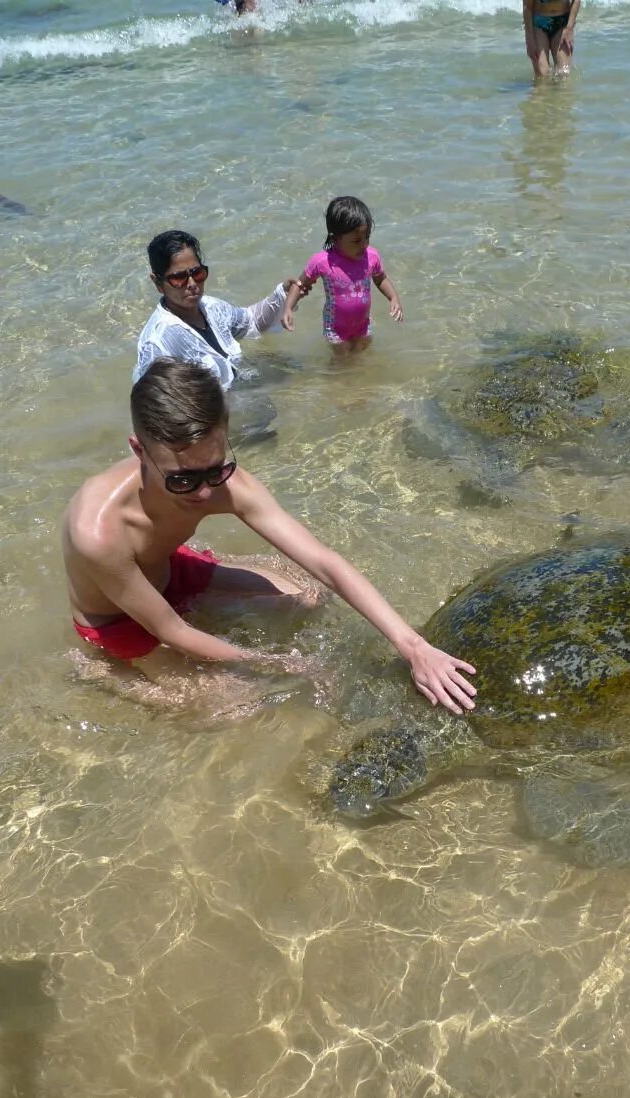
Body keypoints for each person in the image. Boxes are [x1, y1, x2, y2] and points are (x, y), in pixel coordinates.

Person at [64, 358, 477, 713]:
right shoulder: (98, 533)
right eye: (183, 479)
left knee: (309, 594)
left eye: (215, 468)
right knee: (240, 706)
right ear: (140, 452)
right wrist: (285, 664)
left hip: (170, 570)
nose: (207, 492)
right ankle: (99, 671)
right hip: (119, 622)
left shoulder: (222, 483)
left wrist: (413, 647)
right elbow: (171, 631)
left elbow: (324, 562)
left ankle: (210, 574)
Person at [133, 229, 304, 391]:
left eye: (197, 273)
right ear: (157, 283)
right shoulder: (159, 343)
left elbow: (250, 320)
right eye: (179, 278)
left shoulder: (211, 307)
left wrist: (283, 294)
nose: (192, 284)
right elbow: (155, 405)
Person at [281, 197, 403, 353]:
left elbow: (380, 279)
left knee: (362, 353)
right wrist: (288, 308)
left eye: (367, 237)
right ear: (335, 238)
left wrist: (393, 298)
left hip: (363, 324)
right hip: (335, 327)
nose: (364, 244)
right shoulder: (323, 261)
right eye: (357, 240)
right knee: (342, 360)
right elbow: (300, 284)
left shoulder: (371, 257)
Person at [523, 0, 581, 78]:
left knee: (564, 74)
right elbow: (527, 6)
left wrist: (569, 28)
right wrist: (529, 39)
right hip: (539, 22)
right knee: (542, 75)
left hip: (562, 22)